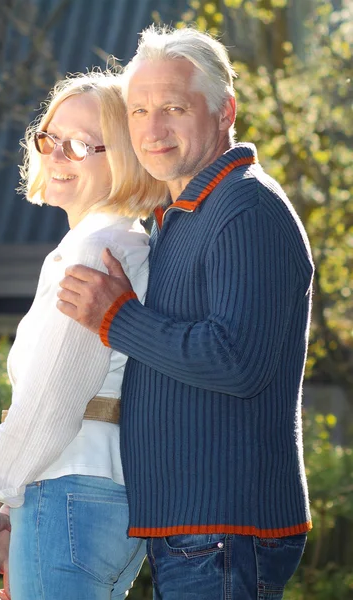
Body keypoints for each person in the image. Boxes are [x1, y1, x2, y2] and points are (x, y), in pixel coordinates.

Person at [57, 26, 314, 600]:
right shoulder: (184, 214)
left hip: (224, 526)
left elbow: (237, 361)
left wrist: (116, 317)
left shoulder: (246, 208)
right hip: (195, 529)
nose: (152, 128)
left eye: (173, 107)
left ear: (226, 110)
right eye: (139, 110)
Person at [0, 71, 167, 600]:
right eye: (49, 138)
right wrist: (11, 513)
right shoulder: (115, 242)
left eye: (80, 145)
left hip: (71, 497)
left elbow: (52, 402)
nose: (57, 155)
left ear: (122, 157)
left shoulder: (94, 250)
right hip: (90, 497)